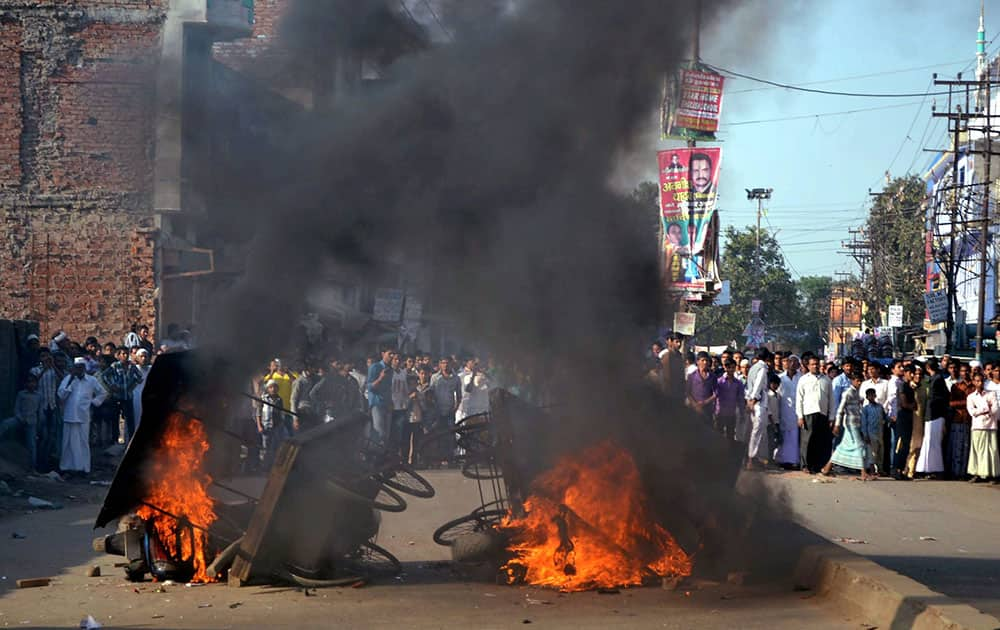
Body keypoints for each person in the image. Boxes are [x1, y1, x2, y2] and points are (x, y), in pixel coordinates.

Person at [58, 357, 108, 476]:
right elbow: (61, 395)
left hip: (83, 416)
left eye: (81, 367)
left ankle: (83, 468)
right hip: (69, 415)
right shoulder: (68, 379)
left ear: (85, 368)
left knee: (83, 442)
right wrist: (70, 379)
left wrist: (93, 402)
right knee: (67, 442)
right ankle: (66, 467)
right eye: (76, 367)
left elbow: (103, 393)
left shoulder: (91, 380)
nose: (78, 369)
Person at [821, 371, 872, 480]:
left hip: (857, 423)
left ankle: (827, 468)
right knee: (859, 446)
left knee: (842, 448)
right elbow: (840, 409)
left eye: (860, 381)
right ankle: (863, 472)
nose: (859, 383)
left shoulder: (857, 393)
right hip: (850, 424)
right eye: (857, 381)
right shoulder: (848, 392)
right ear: (852, 381)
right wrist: (837, 424)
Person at [796, 355, 836, 474]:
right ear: (808, 366)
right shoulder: (803, 379)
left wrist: (832, 417)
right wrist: (800, 416)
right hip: (808, 413)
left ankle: (818, 465)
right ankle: (805, 465)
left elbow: (831, 400)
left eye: (817, 364)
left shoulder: (826, 380)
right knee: (807, 441)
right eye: (813, 364)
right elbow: (799, 399)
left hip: (822, 413)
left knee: (821, 441)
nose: (815, 366)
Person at [102, 347, 142, 444]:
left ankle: (131, 441)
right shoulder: (115, 366)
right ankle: (115, 440)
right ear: (118, 355)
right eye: (123, 354)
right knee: (115, 418)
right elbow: (104, 375)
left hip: (128, 396)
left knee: (129, 419)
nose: (125, 356)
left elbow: (139, 377)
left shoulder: (131, 366)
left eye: (126, 354)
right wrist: (112, 385)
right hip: (117, 396)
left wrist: (133, 385)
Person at [916, 358, 949, 478]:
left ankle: (934, 468)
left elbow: (940, 398)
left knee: (933, 442)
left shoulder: (937, 379)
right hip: (931, 414)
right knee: (929, 441)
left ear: (927, 368)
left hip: (935, 414)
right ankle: (926, 468)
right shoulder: (934, 379)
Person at [965, 371, 1000, 483]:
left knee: (991, 450)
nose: (979, 383)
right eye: (977, 381)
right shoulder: (971, 397)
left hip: (990, 426)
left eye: (981, 381)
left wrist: (985, 412)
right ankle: (978, 473)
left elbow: (995, 409)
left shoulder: (991, 394)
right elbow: (972, 412)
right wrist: (985, 409)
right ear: (973, 382)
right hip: (977, 426)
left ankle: (992, 475)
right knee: (977, 450)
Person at [429, 358, 462, 466]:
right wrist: (434, 407)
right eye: (443, 363)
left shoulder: (456, 378)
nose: (445, 365)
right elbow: (430, 393)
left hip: (449, 410)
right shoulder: (435, 377)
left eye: (447, 363)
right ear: (439, 364)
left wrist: (455, 408)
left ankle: (450, 458)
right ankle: (438, 459)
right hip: (437, 410)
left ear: (451, 364)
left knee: (450, 435)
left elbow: (459, 395)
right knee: (438, 435)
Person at [744, 347, 771, 470]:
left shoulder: (752, 368)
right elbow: (758, 385)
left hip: (754, 401)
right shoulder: (762, 368)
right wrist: (753, 399)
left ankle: (753, 457)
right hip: (758, 402)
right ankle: (751, 458)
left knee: (755, 431)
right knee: (757, 431)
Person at [13, 375, 44, 471]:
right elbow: (16, 408)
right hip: (20, 419)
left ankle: (32, 467)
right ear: (26, 384)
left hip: (32, 422)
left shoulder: (39, 396)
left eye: (33, 382)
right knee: (5, 424)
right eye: (29, 382)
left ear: (36, 384)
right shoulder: (21, 394)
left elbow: (40, 412)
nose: (31, 384)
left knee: (31, 445)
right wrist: (20, 417)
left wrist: (39, 425)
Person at [775, 355, 801, 469]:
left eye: (795, 362)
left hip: (797, 412)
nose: (792, 364)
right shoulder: (780, 378)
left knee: (795, 437)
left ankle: (794, 460)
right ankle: (783, 460)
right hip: (784, 410)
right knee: (784, 436)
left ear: (798, 365)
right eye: (790, 361)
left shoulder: (801, 378)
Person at [256, 380, 289, 469]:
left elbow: (281, 413)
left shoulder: (279, 399)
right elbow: (258, 413)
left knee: (275, 447)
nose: (273, 389)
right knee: (265, 447)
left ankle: (273, 467)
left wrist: (281, 425)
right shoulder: (263, 399)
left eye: (274, 387)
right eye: (271, 387)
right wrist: (259, 426)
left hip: (276, 427)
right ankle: (264, 467)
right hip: (266, 426)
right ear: (268, 389)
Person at [947, 361, 972, 479]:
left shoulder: (974, 386)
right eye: (962, 371)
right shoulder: (956, 387)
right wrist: (967, 403)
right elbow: (951, 403)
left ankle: (965, 472)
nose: (965, 373)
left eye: (967, 370)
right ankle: (956, 472)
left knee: (967, 448)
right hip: (958, 419)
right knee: (957, 448)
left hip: (971, 420)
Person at [893, 365, 917, 480]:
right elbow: (904, 403)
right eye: (910, 372)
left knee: (906, 445)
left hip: (909, 417)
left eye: (913, 373)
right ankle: (896, 469)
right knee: (901, 444)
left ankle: (902, 469)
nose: (912, 375)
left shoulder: (910, 386)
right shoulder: (902, 385)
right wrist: (911, 406)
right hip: (903, 416)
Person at [366, 347, 394, 444]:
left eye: (393, 354)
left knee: (386, 436)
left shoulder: (390, 369)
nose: (392, 356)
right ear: (383, 354)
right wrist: (380, 378)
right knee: (379, 434)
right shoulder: (375, 367)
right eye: (389, 353)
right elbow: (369, 387)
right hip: (377, 404)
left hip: (387, 404)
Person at [714, 359, 744, 441]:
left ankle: (729, 452)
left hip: (731, 413)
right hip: (719, 413)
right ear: (725, 368)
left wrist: (742, 413)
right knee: (718, 435)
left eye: (733, 367)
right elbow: (714, 396)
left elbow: (740, 399)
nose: (731, 369)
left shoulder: (738, 383)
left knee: (730, 436)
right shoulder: (719, 381)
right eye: (729, 367)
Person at [686, 352, 717, 426]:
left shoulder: (712, 377)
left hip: (707, 410)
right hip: (694, 410)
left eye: (707, 360)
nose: (705, 362)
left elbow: (715, 393)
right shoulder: (692, 376)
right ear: (698, 362)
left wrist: (704, 402)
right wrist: (695, 405)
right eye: (702, 360)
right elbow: (687, 392)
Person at [861, 387, 886, 477]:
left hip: (879, 432)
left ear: (875, 396)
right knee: (872, 453)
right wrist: (865, 435)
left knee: (880, 452)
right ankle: (872, 471)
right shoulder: (866, 409)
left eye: (873, 395)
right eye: (869, 396)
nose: (871, 397)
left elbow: (884, 417)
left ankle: (880, 470)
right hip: (870, 433)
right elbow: (864, 423)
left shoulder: (880, 407)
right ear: (867, 397)